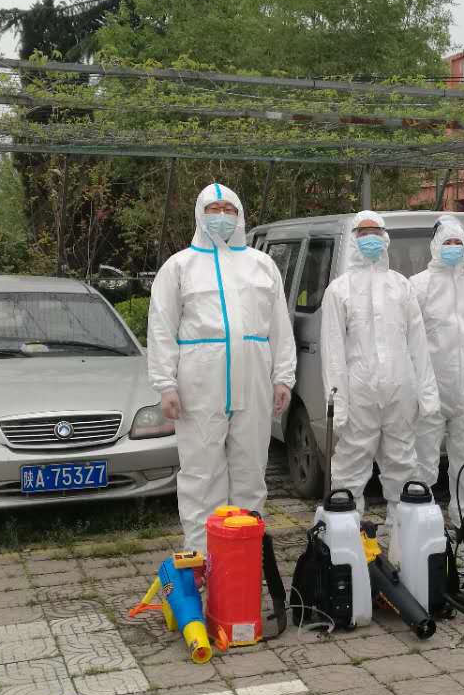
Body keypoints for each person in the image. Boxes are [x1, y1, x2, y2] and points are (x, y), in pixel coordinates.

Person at [147, 183, 296, 552]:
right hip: (200, 385)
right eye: (213, 209)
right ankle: (202, 561)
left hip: (254, 380)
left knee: (250, 473)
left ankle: (244, 559)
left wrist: (283, 377)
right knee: (202, 476)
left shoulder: (261, 265)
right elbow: (162, 327)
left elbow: (280, 325)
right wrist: (165, 385)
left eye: (228, 209)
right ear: (200, 214)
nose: (222, 216)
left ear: (240, 215)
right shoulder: (179, 266)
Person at [321, 210, 440, 515]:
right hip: (359, 395)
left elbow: (418, 344)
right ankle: (346, 535)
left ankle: (403, 535)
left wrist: (427, 394)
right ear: (354, 239)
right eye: (363, 233)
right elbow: (333, 351)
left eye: (376, 232)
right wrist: (338, 403)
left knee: (403, 465)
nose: (370, 238)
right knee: (349, 469)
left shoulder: (401, 286)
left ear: (385, 238)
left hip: (401, 391)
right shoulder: (339, 290)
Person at [410, 216, 464, 525]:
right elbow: (411, 338)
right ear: (435, 246)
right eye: (447, 242)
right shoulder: (419, 285)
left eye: (458, 242)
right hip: (431, 390)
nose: (453, 248)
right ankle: (421, 522)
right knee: (422, 463)